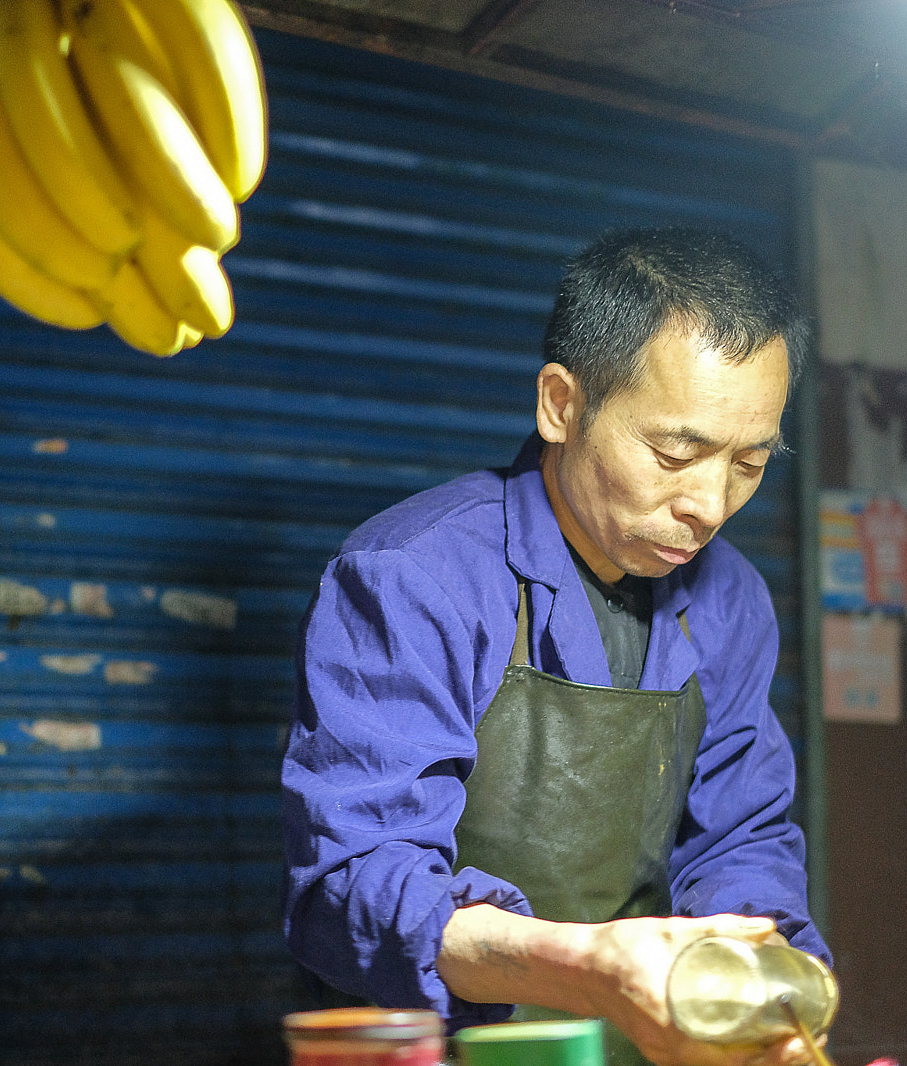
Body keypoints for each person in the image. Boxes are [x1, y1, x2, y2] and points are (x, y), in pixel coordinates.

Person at [281, 226, 828, 1066]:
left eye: (749, 464)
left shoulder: (730, 601)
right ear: (562, 406)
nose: (710, 505)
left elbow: (738, 840)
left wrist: (764, 979)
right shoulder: (414, 577)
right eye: (675, 453)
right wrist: (584, 967)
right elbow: (356, 881)